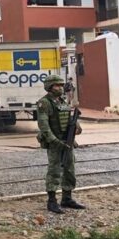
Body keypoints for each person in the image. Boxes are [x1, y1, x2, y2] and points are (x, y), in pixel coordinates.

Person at [36, 75, 85, 214]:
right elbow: (43, 126)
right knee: (54, 171)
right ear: (50, 87)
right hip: (55, 143)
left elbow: (69, 118)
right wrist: (54, 141)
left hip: (67, 141)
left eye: (61, 85)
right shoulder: (44, 103)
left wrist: (77, 127)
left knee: (69, 169)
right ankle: (52, 201)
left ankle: (67, 198)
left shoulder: (62, 101)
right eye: (57, 85)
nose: (60, 88)